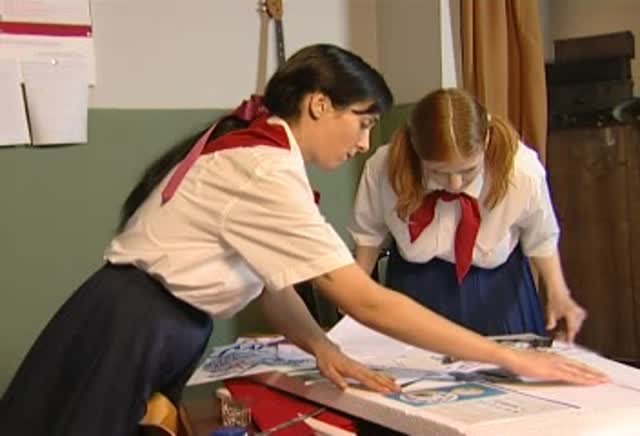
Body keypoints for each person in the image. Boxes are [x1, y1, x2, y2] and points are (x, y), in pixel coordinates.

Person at [0, 46, 605, 436]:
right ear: (320, 105)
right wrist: (510, 358)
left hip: (154, 321)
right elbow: (363, 298)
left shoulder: (259, 151)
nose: (364, 142)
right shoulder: (261, 167)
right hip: (134, 323)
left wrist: (319, 345)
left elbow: (273, 283)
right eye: (363, 122)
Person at [350, 88, 586, 341]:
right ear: (416, 151)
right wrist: (356, 295)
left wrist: (558, 293)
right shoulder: (384, 167)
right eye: (438, 172)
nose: (455, 184)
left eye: (468, 171)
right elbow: (369, 233)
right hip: (414, 286)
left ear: (485, 141)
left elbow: (541, 237)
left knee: (507, 363)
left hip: (498, 289)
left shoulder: (521, 171)